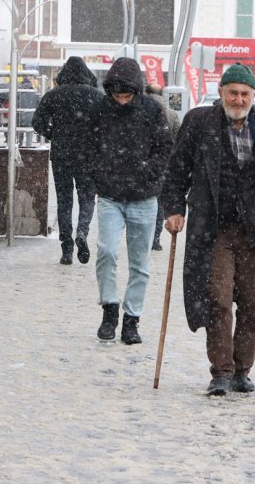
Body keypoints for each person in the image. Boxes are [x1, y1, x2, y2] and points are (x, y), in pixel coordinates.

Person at [161, 62, 255, 395]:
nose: (238, 99)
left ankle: (243, 370)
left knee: (254, 305)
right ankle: (221, 372)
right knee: (218, 300)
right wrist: (173, 209)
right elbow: (176, 171)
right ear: (221, 92)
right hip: (215, 231)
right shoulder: (199, 123)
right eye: (233, 92)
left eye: (244, 94)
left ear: (254, 95)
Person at [86, 57, 173, 344]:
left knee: (140, 264)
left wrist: (149, 174)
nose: (121, 101)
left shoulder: (152, 111)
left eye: (126, 95)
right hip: (111, 196)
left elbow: (164, 148)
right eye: (117, 95)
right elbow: (89, 148)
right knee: (107, 252)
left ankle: (131, 321)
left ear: (136, 91)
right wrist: (99, 175)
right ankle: (109, 309)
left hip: (144, 198)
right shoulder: (100, 111)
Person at [32, 57, 104, 265]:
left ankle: (67, 249)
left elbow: (37, 122)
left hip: (62, 154)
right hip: (87, 156)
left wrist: (54, 133)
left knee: (64, 200)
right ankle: (82, 230)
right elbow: (106, 125)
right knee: (87, 197)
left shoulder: (54, 95)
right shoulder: (96, 96)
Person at [144, 83, 181, 251]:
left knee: (144, 202)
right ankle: (156, 238)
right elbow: (178, 138)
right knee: (159, 203)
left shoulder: (141, 109)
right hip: (164, 164)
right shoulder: (171, 114)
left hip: (143, 163)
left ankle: (144, 235)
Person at [18, 78, 38, 147]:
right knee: (29, 137)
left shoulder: (19, 92)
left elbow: (15, 104)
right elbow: (38, 105)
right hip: (31, 117)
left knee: (19, 138)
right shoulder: (35, 93)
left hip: (20, 117)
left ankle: (19, 151)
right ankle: (28, 152)